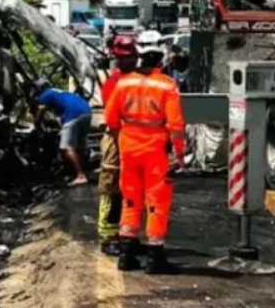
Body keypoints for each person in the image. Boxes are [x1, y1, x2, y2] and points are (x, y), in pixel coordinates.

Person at [104, 30, 186, 274]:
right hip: (156, 151)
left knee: (130, 199)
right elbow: (176, 126)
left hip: (128, 147)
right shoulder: (167, 86)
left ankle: (126, 256)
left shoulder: (123, 82)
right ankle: (155, 258)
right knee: (156, 202)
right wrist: (178, 155)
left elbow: (110, 119)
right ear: (162, 57)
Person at [97, 35, 138, 256]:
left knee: (130, 189)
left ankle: (126, 234)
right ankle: (108, 237)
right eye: (124, 58)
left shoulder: (138, 81)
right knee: (111, 186)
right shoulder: (113, 83)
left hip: (134, 139)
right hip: (116, 137)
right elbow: (113, 119)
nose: (128, 61)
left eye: (131, 57)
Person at [33, 77, 92, 186]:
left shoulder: (45, 96)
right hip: (87, 112)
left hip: (73, 115)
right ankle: (83, 170)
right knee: (79, 145)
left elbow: (39, 115)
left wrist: (36, 125)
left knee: (66, 147)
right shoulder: (58, 91)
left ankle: (80, 175)